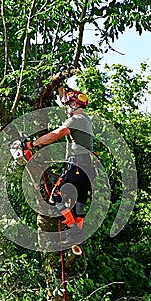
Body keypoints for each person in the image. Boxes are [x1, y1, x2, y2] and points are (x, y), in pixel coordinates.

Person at [25, 89, 95, 245]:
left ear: (75, 104)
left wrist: (32, 144)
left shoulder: (75, 119)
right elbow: (64, 102)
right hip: (87, 171)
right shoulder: (85, 119)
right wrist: (60, 91)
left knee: (55, 197)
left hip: (76, 167)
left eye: (67, 106)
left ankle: (72, 229)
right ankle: (76, 237)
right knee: (78, 207)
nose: (65, 109)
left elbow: (54, 135)